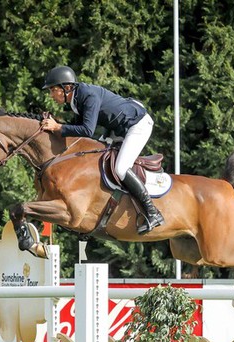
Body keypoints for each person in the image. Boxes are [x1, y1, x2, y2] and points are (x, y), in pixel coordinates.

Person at [40, 65, 164, 234]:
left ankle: (152, 212)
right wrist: (55, 127)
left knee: (120, 168)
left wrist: (58, 127)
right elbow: (78, 130)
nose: (51, 95)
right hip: (117, 129)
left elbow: (87, 130)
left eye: (53, 90)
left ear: (66, 88)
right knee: (97, 158)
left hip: (137, 125)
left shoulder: (87, 95)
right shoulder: (75, 100)